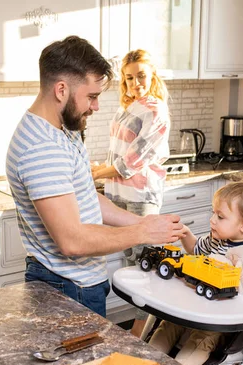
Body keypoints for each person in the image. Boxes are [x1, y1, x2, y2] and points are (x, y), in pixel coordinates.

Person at [5, 36, 185, 318]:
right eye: (91, 96)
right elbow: (72, 241)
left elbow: (89, 197)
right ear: (61, 90)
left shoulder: (65, 129)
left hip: (77, 283)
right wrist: (142, 233)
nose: (96, 106)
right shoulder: (42, 148)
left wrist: (144, 221)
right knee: (79, 364)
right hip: (66, 288)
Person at [148, 181, 243, 365]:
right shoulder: (216, 241)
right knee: (168, 324)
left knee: (202, 339)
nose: (212, 220)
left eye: (220, 216)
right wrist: (186, 234)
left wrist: (234, 273)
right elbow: (195, 250)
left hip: (224, 320)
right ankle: (145, 363)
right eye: (213, 213)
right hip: (197, 307)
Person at [91, 49, 170, 337]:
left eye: (141, 76)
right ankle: (142, 332)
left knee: (145, 270)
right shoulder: (129, 107)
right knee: (131, 268)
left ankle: (141, 335)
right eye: (129, 78)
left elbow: (132, 162)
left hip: (140, 199)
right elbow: (117, 154)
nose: (136, 82)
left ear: (152, 76)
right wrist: (100, 168)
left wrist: (98, 173)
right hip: (119, 196)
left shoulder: (155, 110)